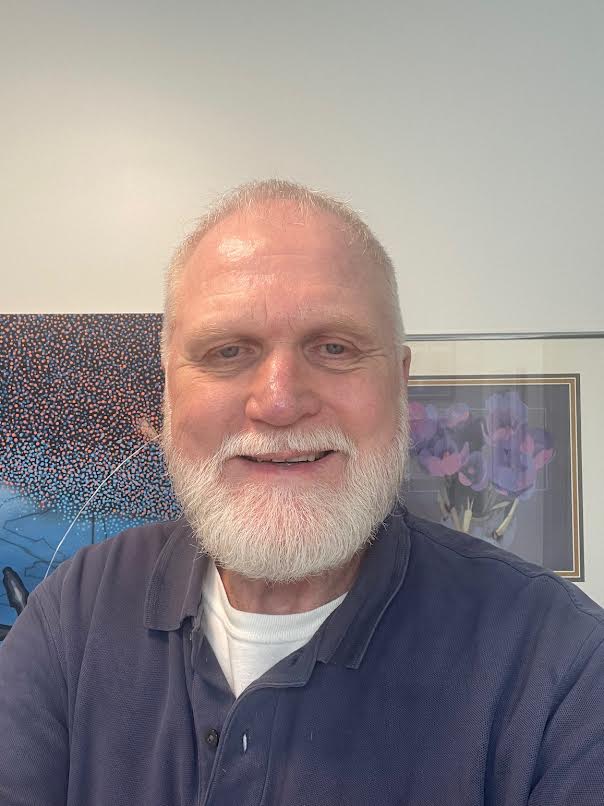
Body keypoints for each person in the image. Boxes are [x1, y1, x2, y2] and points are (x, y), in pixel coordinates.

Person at [1, 180, 603, 806]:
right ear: (169, 392)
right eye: (227, 351)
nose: (280, 402)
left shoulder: (561, 667)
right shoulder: (75, 610)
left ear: (400, 384)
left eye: (334, 348)